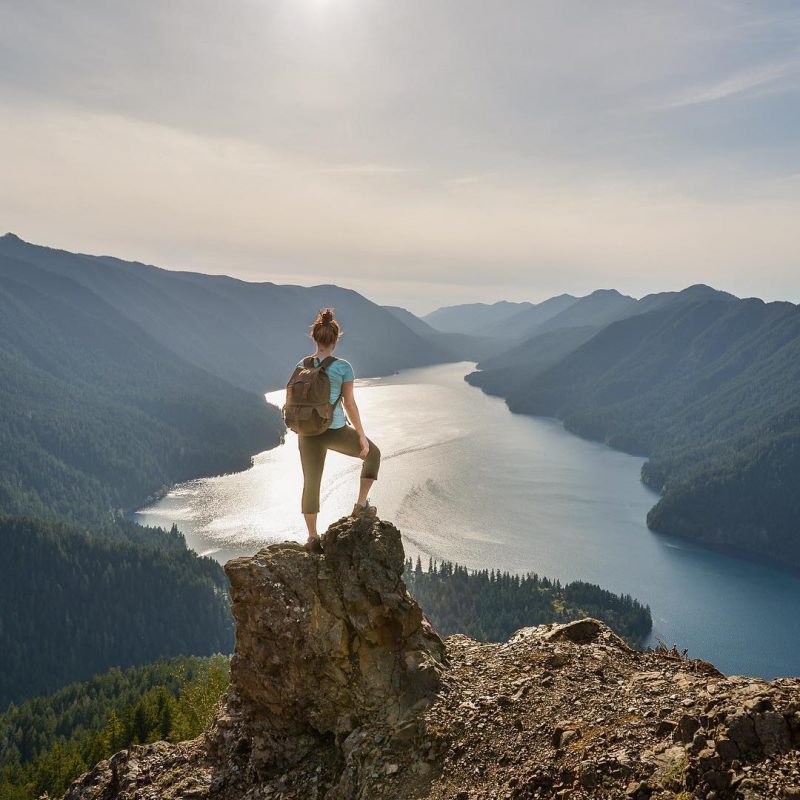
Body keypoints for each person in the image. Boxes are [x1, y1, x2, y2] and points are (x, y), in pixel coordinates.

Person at [297, 308, 381, 554]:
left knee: (311, 483)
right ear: (335, 340)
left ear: (315, 338)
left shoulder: (303, 364)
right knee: (373, 454)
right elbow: (349, 403)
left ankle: (312, 538)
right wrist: (361, 436)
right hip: (333, 430)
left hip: (308, 434)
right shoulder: (343, 367)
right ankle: (361, 505)